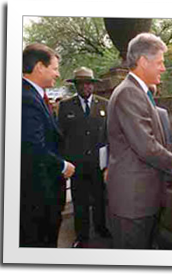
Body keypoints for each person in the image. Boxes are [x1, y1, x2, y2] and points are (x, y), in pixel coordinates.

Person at [107, 33, 172, 249]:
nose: (163, 68)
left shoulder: (136, 92)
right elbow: (146, 146)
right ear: (143, 62)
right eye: (160, 62)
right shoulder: (129, 93)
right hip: (133, 203)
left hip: (140, 199)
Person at [21, 43, 75, 247]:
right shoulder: (26, 99)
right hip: (37, 197)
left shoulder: (35, 96)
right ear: (39, 67)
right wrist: (62, 166)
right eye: (54, 68)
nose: (58, 74)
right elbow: (32, 147)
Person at [58, 67, 111, 248]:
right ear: (76, 86)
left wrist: (109, 163)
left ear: (93, 85)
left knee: (99, 198)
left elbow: (109, 135)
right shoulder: (65, 106)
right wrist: (64, 162)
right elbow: (61, 136)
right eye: (81, 84)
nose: (85, 87)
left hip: (99, 163)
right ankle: (81, 235)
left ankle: (101, 227)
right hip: (77, 164)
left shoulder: (105, 104)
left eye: (88, 83)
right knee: (79, 201)